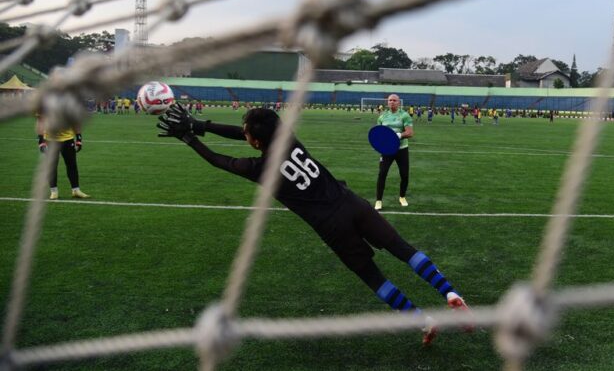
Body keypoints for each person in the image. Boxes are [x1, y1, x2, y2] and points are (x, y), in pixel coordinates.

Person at [156, 104, 470, 344]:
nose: (244, 134)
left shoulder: (260, 167)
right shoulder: (288, 139)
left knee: (374, 278)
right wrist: (200, 124)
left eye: (247, 133)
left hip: (333, 227)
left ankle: (424, 322)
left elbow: (218, 160)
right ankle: (452, 295)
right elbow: (247, 135)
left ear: (254, 142)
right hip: (352, 204)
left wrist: (189, 136)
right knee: (403, 249)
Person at [36, 114, 90, 200]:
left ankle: (76, 190)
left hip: (68, 139)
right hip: (50, 140)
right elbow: (40, 121)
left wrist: (79, 138)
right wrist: (40, 140)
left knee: (72, 165)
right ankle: (54, 191)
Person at [375, 94, 414, 210]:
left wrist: (398, 135)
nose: (392, 102)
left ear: (399, 103)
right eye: (390, 100)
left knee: (404, 175)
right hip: (387, 150)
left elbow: (410, 133)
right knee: (382, 174)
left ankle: (402, 197)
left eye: (394, 100)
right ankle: (378, 200)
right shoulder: (382, 117)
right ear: (387, 102)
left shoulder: (405, 115)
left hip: (401, 150)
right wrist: (378, 144)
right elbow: (378, 133)